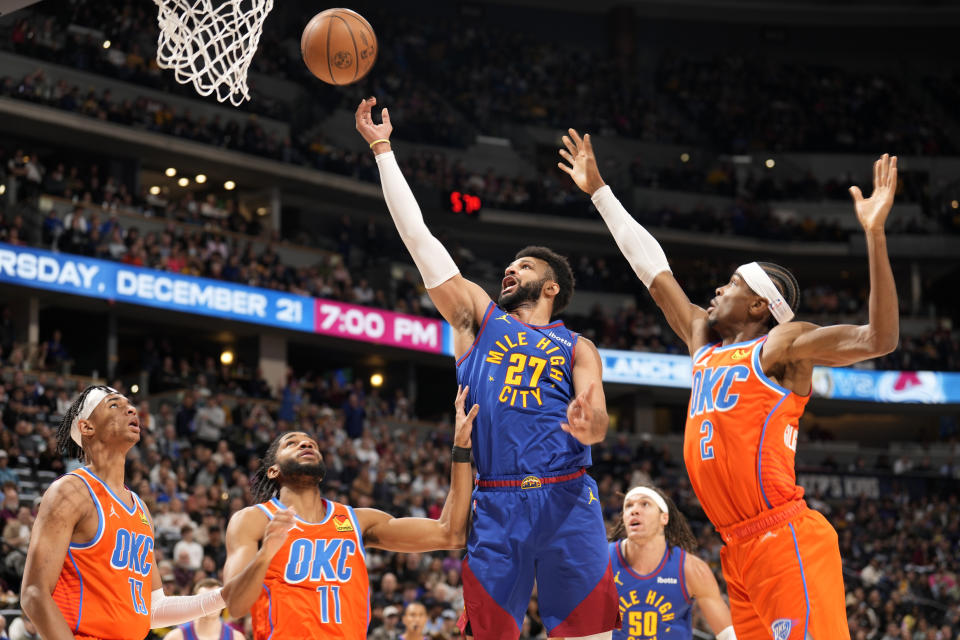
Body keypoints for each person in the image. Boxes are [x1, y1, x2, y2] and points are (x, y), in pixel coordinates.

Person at [559, 132, 899, 639]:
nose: (718, 289)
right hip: (737, 549)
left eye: (733, 283)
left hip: (786, 539)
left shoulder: (781, 346)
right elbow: (655, 273)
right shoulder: (706, 346)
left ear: (761, 305)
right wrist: (600, 192)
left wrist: (874, 235)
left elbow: (879, 338)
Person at [356, 97, 620, 640]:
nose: (509, 268)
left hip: (569, 495)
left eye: (523, 265)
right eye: (509, 262)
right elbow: (420, 240)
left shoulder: (577, 346)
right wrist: (383, 151)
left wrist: (587, 421)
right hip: (496, 502)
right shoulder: (479, 318)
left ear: (551, 287)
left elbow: (597, 419)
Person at [221, 385, 479, 640]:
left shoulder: (357, 521)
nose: (305, 445)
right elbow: (235, 605)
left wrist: (460, 450)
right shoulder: (253, 520)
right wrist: (266, 553)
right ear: (273, 470)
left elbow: (450, 534)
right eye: (292, 443)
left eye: (311, 443)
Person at [20, 385, 234, 640]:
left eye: (130, 405)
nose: (131, 409)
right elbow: (34, 593)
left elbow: (154, 608)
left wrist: (224, 595)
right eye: (114, 405)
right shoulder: (71, 492)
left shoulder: (140, 507)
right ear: (87, 427)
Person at [609, 486, 734, 639]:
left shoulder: (691, 569)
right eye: (628, 505)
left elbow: (728, 634)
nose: (634, 510)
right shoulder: (601, 561)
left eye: (645, 504)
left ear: (664, 518)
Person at [165, 578, 244, 640]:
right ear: (194, 602)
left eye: (215, 599)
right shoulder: (175, 637)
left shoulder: (237, 638)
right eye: (204, 599)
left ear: (224, 602)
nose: (210, 604)